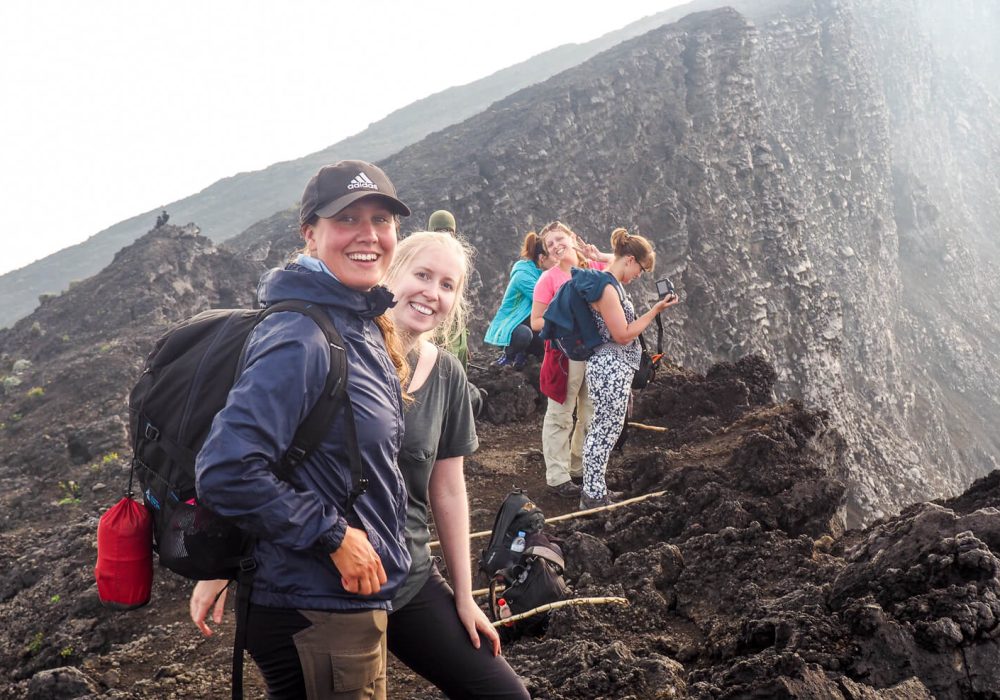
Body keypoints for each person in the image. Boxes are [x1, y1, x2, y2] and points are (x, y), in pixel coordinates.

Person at [189, 159, 413, 700]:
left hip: (342, 601)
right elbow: (225, 470)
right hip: (315, 605)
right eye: (348, 220)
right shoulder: (301, 336)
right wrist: (333, 535)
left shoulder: (355, 322)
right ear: (311, 235)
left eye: (381, 219)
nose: (369, 235)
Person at [381, 230, 529, 699]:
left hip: (408, 575)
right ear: (390, 272)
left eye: (447, 284)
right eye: (422, 275)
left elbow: (447, 489)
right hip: (325, 583)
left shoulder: (446, 374)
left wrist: (463, 597)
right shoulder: (340, 351)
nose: (432, 292)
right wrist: (221, 569)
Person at [580, 227, 679, 509]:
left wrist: (599, 253)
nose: (639, 276)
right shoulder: (608, 289)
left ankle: (596, 488)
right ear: (631, 260)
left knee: (608, 428)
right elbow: (622, 334)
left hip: (613, 368)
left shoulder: (610, 279)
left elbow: (616, 256)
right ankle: (592, 495)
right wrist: (655, 311)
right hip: (609, 368)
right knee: (604, 429)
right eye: (641, 269)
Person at [530, 220, 606, 499]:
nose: (556, 246)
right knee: (561, 414)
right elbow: (536, 322)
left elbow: (625, 266)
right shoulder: (548, 280)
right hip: (564, 356)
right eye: (550, 245)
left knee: (590, 412)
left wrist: (599, 256)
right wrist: (563, 314)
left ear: (573, 238)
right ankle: (558, 476)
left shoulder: (595, 269)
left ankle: (579, 466)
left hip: (597, 352)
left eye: (560, 239)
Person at [483, 230, 551, 368]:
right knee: (524, 335)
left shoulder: (537, 274)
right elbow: (546, 301)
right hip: (510, 325)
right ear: (541, 258)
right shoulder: (523, 276)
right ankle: (507, 357)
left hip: (523, 322)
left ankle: (523, 354)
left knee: (545, 342)